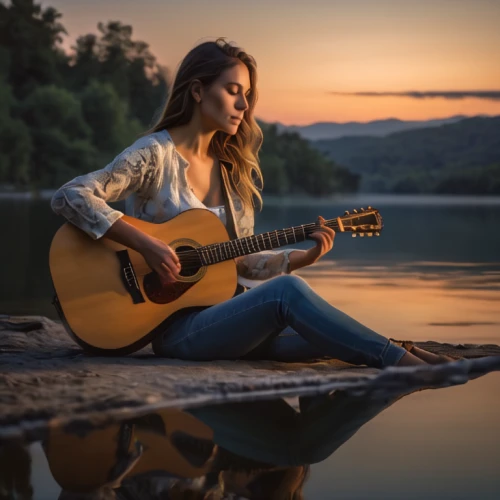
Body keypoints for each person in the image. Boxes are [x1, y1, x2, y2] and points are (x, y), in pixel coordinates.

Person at [51, 38, 454, 368]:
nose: (244, 106)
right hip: (171, 330)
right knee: (287, 293)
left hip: (221, 319)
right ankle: (402, 363)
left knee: (319, 336)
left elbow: (237, 262)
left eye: (247, 95)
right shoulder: (154, 155)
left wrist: (301, 257)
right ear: (197, 91)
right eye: (233, 91)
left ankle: (394, 348)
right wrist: (147, 245)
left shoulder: (230, 172)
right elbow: (71, 195)